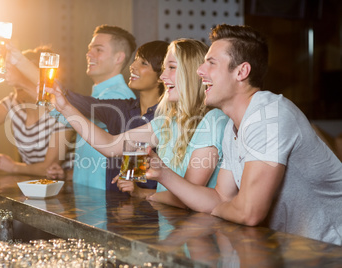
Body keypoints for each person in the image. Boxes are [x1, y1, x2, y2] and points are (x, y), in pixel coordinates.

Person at [145, 24, 342, 245]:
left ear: (241, 72)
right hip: (297, 249)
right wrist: (162, 173)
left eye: (211, 63)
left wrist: (220, 208)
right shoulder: (233, 128)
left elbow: (249, 212)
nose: (200, 71)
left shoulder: (269, 115)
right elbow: (221, 197)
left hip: (331, 249)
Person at [46, 38, 229, 208]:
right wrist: (64, 108)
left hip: (196, 235)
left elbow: (188, 197)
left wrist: (150, 195)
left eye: (171, 68)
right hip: (169, 231)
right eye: (164, 68)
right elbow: (110, 145)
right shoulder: (168, 122)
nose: (163, 76)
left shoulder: (213, 119)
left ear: (191, 72)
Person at [46, 40, 169, 192]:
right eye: (135, 60)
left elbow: (173, 187)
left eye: (143, 63)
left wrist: (140, 192)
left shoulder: (167, 119)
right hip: (119, 207)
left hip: (155, 213)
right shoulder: (125, 108)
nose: (132, 66)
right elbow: (86, 104)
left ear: (161, 76)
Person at [0, 47, 74, 177]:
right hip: (34, 184)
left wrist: (14, 167)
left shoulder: (59, 109)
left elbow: (49, 168)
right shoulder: (13, 102)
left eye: (23, 75)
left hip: (69, 187)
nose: (16, 82)